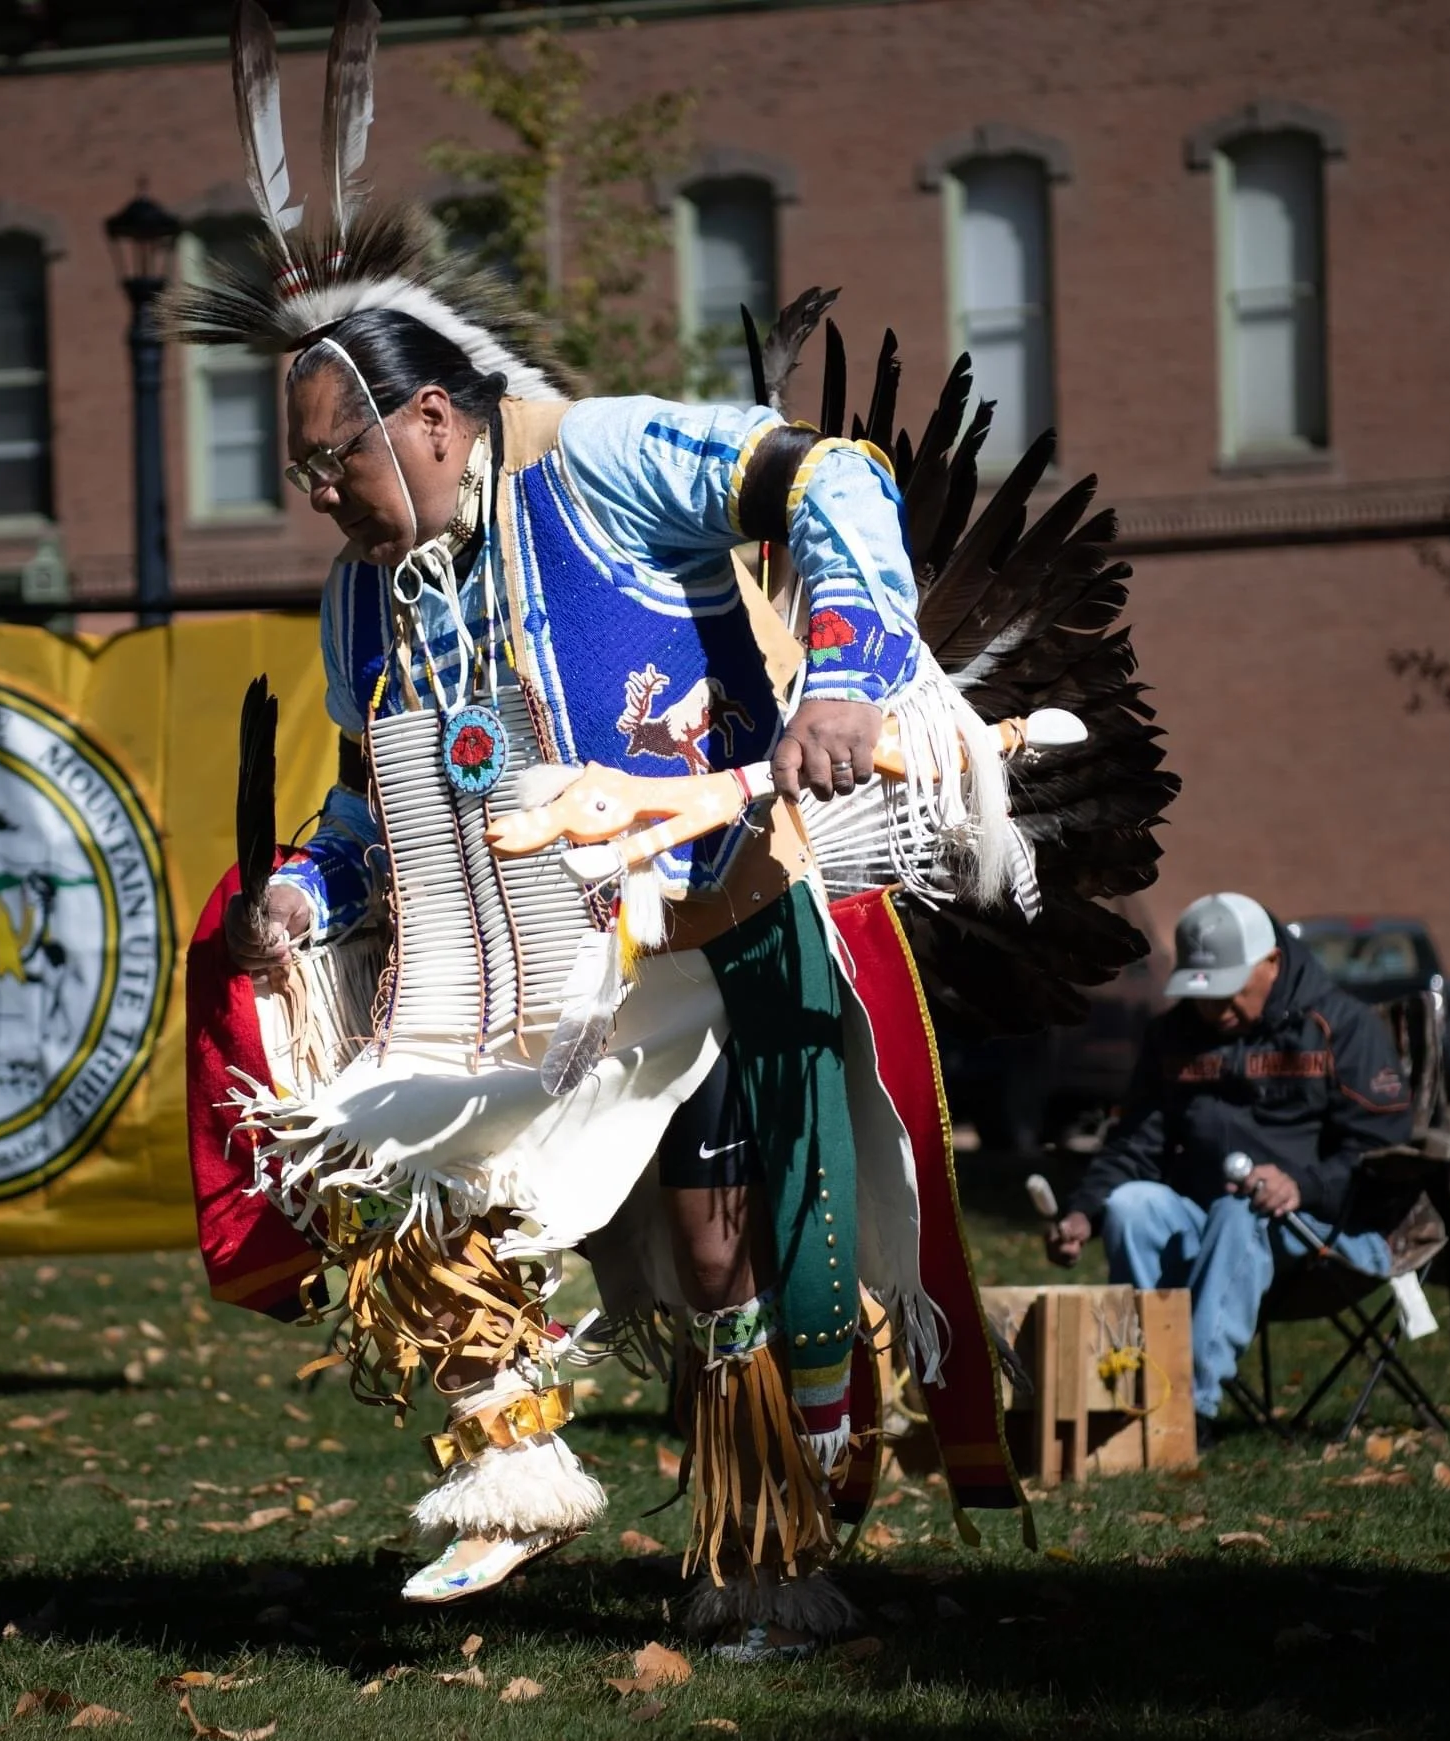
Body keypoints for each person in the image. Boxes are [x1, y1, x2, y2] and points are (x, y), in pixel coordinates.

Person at [178, 1, 1169, 1655]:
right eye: (294, 471)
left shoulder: (606, 459)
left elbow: (830, 472)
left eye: (327, 459)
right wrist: (303, 884)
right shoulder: (372, 600)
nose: (313, 496)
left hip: (719, 908)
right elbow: (380, 794)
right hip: (523, 976)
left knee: (723, 1241)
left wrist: (848, 673)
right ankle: (516, 1472)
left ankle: (754, 1559)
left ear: (429, 415)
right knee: (413, 1197)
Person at [1047, 892, 1411, 1428]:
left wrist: (1301, 1186)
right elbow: (1135, 1143)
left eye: (1229, 993)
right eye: (1204, 996)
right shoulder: (1173, 1036)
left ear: (1271, 962)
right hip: (1208, 1216)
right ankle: (1142, 1379)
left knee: (1240, 1213)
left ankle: (1188, 1410)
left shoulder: (1343, 1027)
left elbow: (1382, 1156)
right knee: (1132, 1206)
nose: (1216, 1010)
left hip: (1326, 1228)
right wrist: (1085, 1212)